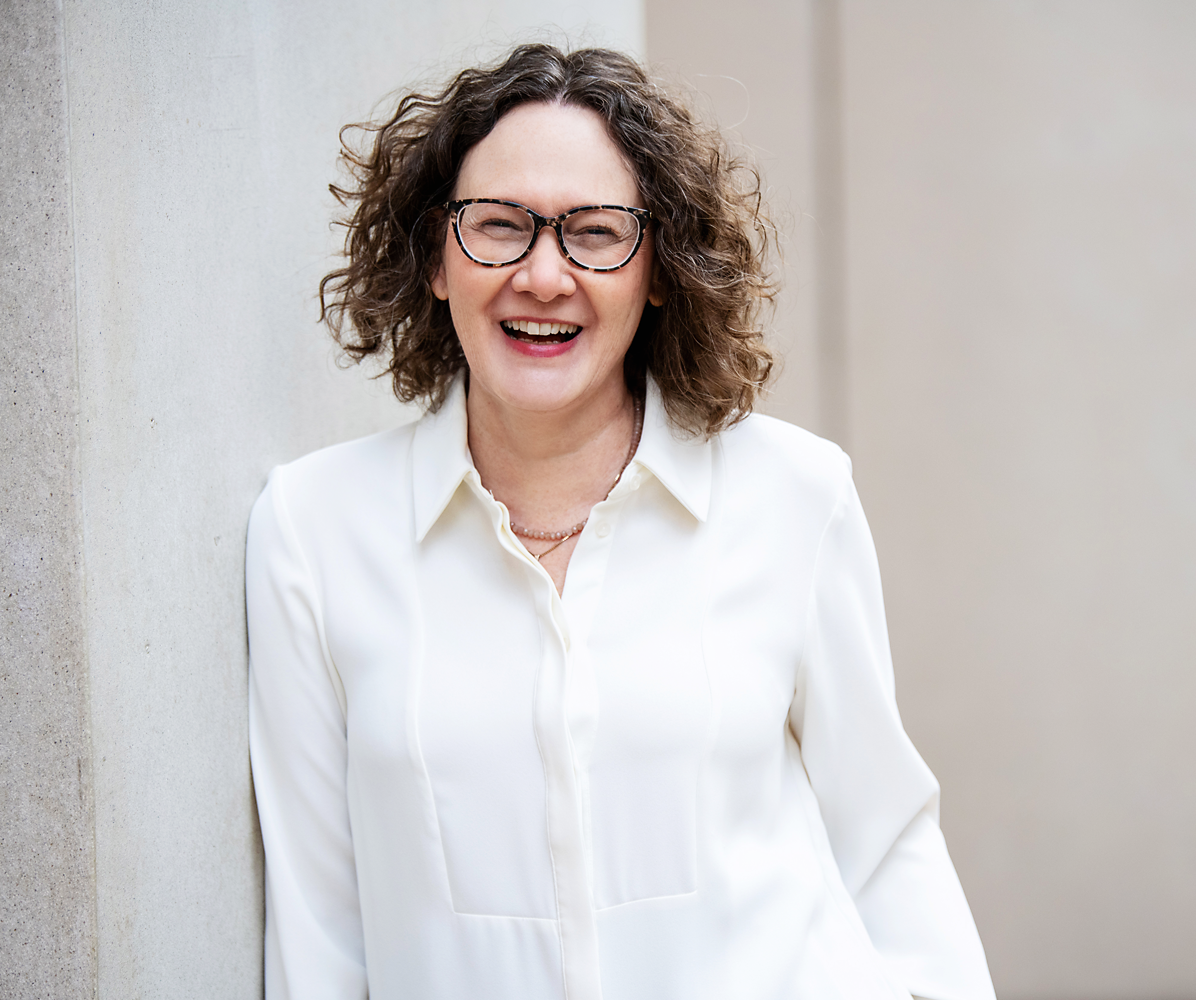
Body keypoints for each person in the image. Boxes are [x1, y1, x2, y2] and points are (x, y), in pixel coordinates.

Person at [246, 43, 994, 1000]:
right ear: (436, 257)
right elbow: (319, 932)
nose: (543, 275)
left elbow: (886, 844)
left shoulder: (796, 496)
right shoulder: (311, 534)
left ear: (658, 270)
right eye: (499, 226)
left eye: (596, 233)